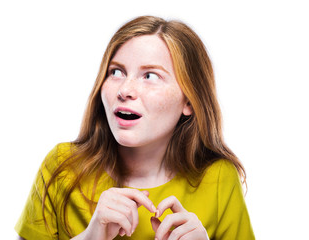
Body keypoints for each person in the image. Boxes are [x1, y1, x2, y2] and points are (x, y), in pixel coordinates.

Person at [15, 16, 255, 240]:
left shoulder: (219, 179)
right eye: (116, 72)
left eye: (150, 76)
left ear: (189, 101)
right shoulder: (61, 167)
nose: (124, 90)